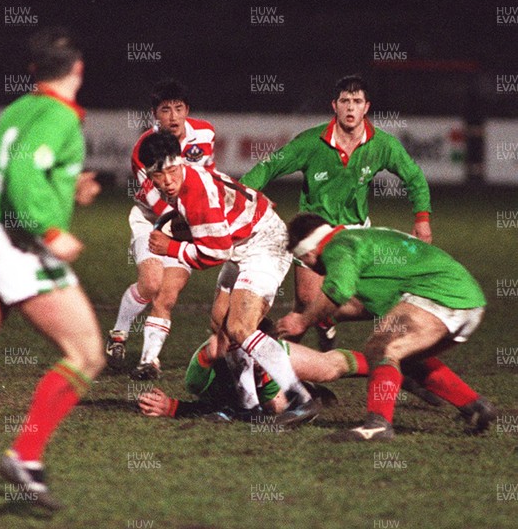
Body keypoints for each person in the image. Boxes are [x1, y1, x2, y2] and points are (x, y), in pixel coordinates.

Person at [0, 27, 105, 508]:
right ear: (78, 69)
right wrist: (49, 229)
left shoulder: (18, 108)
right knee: (86, 354)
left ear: (33, 70)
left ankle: (25, 458)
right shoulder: (58, 115)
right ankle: (25, 455)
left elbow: (10, 172)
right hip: (21, 244)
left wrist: (70, 190)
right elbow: (27, 174)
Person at [240, 75, 432, 350]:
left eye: (357, 101)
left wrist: (422, 219)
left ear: (366, 107)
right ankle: (276, 364)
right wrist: (245, 194)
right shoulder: (311, 142)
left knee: (372, 301)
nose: (350, 108)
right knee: (307, 302)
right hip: (313, 233)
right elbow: (269, 166)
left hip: (354, 233)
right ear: (335, 105)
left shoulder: (382, 144)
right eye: (345, 101)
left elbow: (413, 177)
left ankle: (319, 324)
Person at [143, 130, 320, 425]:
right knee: (220, 321)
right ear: (151, 175)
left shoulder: (195, 190)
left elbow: (216, 252)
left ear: (181, 163)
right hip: (241, 243)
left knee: (240, 327)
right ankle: (248, 406)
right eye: (159, 175)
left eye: (172, 170)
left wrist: (170, 246)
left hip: (264, 243)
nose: (168, 181)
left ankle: (301, 398)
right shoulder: (183, 184)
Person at [277, 213, 497, 441]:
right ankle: (477, 408)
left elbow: (337, 291)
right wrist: (325, 317)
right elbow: (365, 305)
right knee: (406, 358)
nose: (310, 268)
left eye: (305, 261)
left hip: (442, 297)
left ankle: (378, 425)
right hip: (467, 302)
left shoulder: (339, 246)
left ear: (308, 252)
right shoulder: (357, 239)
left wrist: (301, 321)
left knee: (380, 349)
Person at [106, 80, 215, 380]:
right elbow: (153, 197)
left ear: (187, 110)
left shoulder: (205, 134)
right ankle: (119, 333)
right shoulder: (143, 149)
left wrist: (200, 217)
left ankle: (148, 362)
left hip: (186, 222)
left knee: (167, 295)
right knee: (152, 283)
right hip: (150, 219)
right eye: (165, 110)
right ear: (155, 114)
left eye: (178, 108)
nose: (173, 116)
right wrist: (178, 220)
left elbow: (209, 174)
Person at [138, 331, 367, 419]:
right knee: (275, 408)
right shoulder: (201, 378)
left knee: (328, 368)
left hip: (272, 349)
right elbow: (229, 409)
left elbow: (228, 409)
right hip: (251, 361)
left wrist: (176, 408)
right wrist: (173, 407)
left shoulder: (264, 362)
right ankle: (304, 389)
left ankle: (383, 361)